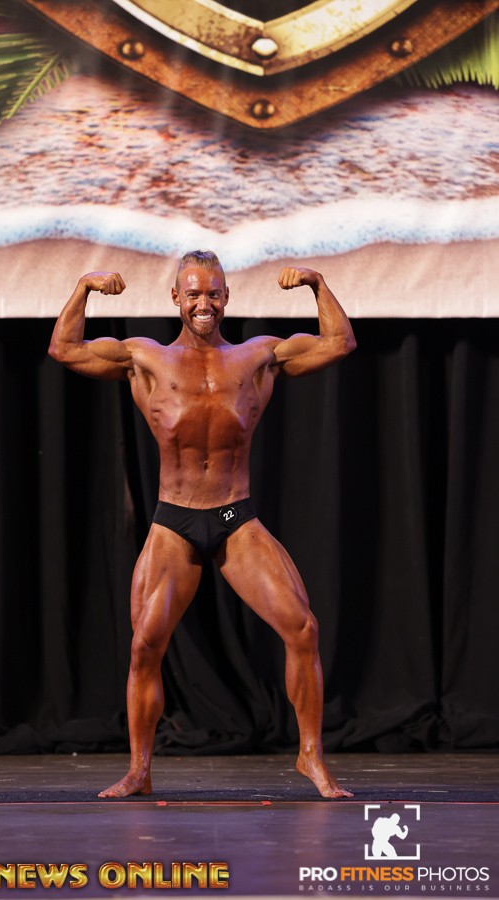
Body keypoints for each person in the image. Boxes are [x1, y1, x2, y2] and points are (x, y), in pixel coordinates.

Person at [48, 250, 356, 799]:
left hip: (236, 517)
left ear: (227, 297)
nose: (204, 303)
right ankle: (139, 770)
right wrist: (84, 286)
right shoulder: (146, 359)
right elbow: (64, 349)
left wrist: (317, 283)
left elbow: (339, 343)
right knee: (145, 645)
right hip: (175, 521)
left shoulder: (257, 358)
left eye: (213, 293)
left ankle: (310, 756)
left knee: (302, 628)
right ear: (176, 298)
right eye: (193, 294)